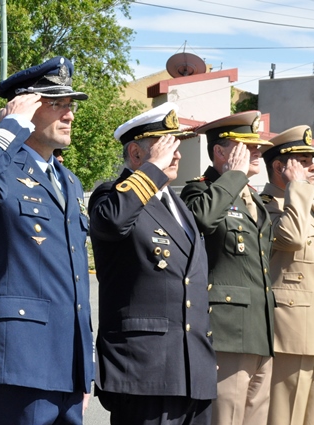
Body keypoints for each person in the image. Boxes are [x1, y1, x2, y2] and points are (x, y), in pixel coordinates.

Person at [0, 56, 94, 425]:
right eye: (57, 104)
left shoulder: (69, 180)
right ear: (27, 109)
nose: (70, 115)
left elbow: (74, 280)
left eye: (70, 105)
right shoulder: (0, 167)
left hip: (67, 364)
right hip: (16, 362)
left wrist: (84, 369)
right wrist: (10, 127)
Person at [88, 102, 217, 425]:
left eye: (176, 148)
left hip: (191, 369)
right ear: (136, 154)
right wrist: (152, 169)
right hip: (146, 369)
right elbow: (113, 222)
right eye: (166, 148)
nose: (176, 156)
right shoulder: (111, 196)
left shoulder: (178, 205)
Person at [180, 111, 275, 425]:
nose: (257, 151)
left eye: (257, 145)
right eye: (247, 145)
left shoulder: (255, 199)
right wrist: (233, 176)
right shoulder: (199, 190)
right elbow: (203, 219)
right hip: (228, 330)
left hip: (260, 330)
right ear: (220, 152)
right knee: (226, 418)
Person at [259, 126, 314, 425]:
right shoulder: (265, 208)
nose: (313, 166)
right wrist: (296, 188)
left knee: (312, 419)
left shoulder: (305, 208)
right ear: (280, 167)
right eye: (304, 160)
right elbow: (292, 239)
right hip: (291, 334)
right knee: (286, 417)